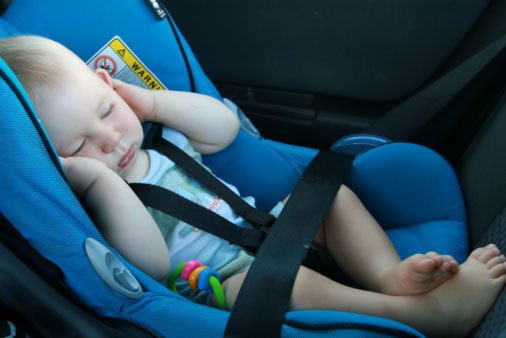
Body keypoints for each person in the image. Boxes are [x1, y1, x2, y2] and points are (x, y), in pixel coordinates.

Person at [1, 35, 505, 337]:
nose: (111, 140)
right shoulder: (99, 201)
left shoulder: (156, 138)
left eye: (107, 109)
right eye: (80, 144)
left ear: (111, 89)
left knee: (336, 200)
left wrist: (151, 105)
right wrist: (92, 180)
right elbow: (151, 263)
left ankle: (389, 275)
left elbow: (221, 129)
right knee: (290, 286)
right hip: (225, 282)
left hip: (267, 228)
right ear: (56, 164)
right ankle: (422, 315)